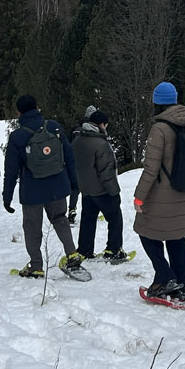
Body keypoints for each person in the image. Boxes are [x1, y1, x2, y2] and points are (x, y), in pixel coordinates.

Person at [3, 94, 90, 280]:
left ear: (19, 112)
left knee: (32, 226)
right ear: (37, 107)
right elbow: (69, 155)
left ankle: (36, 266)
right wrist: (74, 183)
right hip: (57, 185)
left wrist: (7, 197)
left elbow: (11, 170)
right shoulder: (53, 127)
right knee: (60, 219)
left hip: (32, 190)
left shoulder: (18, 136)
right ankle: (72, 254)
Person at [134, 81, 185, 302]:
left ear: (156, 102)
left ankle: (165, 278)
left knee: (144, 232)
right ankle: (181, 286)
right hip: (183, 191)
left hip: (161, 194)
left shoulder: (159, 128)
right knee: (176, 237)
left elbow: (151, 167)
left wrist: (139, 196)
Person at [71, 109, 128, 262]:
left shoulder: (77, 140)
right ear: (101, 124)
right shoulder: (101, 144)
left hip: (86, 189)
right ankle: (113, 249)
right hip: (102, 190)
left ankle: (84, 249)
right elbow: (106, 171)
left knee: (88, 220)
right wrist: (114, 191)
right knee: (115, 218)